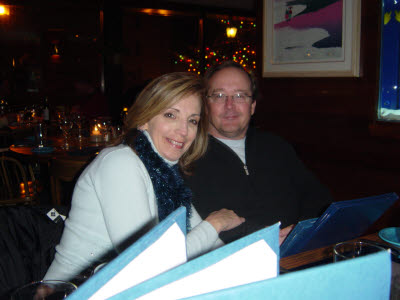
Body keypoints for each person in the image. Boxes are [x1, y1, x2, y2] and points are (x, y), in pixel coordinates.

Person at [44, 72, 244, 281]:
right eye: (170, 115)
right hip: (75, 289)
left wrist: (252, 251)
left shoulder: (166, 174)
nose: (184, 131)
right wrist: (215, 224)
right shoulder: (120, 163)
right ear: (144, 119)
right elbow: (145, 264)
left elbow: (205, 240)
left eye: (192, 121)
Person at [185, 61, 333, 244]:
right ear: (205, 105)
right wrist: (261, 237)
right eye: (219, 95)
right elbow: (199, 224)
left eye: (240, 96)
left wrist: (302, 230)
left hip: (296, 252)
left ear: (252, 105)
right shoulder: (189, 156)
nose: (229, 105)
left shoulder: (276, 146)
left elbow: (317, 198)